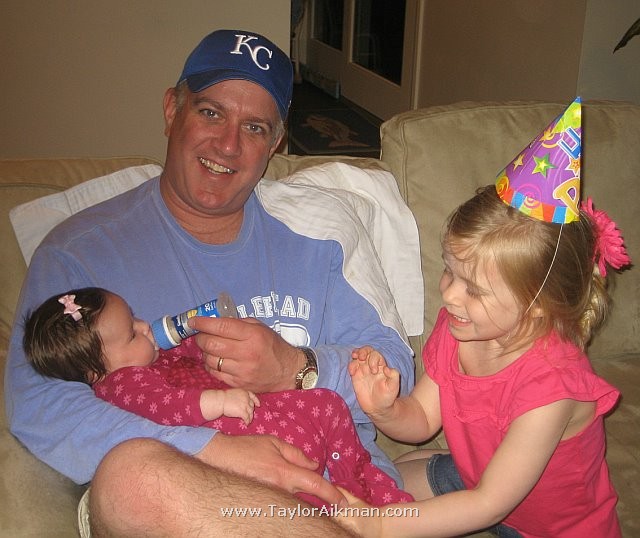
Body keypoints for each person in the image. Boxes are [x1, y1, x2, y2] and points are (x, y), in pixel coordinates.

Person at [5, 29, 415, 536]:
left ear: (275, 143)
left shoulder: (322, 233)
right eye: (211, 113)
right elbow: (39, 403)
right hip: (188, 499)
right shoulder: (81, 251)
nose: (228, 145)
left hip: (342, 489)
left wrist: (296, 368)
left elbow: (395, 370)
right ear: (171, 110)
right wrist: (213, 450)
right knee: (135, 479)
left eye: (255, 127)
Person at [337, 98, 628, 537]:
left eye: (474, 289)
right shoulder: (461, 328)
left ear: (538, 304)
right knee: (379, 480)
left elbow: (488, 504)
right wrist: (386, 409)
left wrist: (377, 526)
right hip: (482, 480)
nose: (449, 294)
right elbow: (422, 418)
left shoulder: (553, 387)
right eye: (449, 271)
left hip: (546, 527)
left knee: (384, 513)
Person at [23, 287, 412, 508]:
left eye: (136, 318)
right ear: (96, 372)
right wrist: (219, 402)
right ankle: (349, 502)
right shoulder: (121, 384)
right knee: (307, 451)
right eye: (131, 333)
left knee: (328, 403)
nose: (145, 327)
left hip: (258, 411)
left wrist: (225, 339)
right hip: (242, 431)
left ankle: (364, 486)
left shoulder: (151, 356)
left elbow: (194, 350)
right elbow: (168, 407)